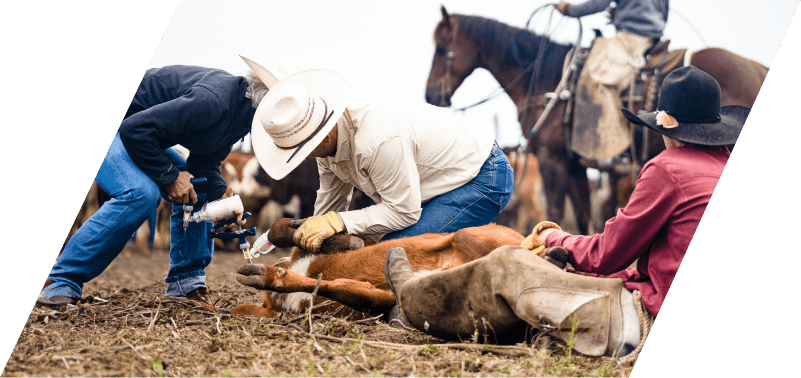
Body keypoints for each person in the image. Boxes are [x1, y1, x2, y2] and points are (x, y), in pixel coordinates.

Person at [384, 66, 749, 360]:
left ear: (666, 124)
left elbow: (606, 254)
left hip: (644, 319)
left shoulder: (668, 168)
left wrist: (551, 236)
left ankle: (414, 302)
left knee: (507, 265)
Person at [37, 63, 266, 307]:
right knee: (140, 193)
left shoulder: (239, 115)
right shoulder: (213, 101)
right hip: (128, 128)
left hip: (139, 134)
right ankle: (59, 281)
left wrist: (220, 195)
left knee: (198, 187)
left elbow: (205, 164)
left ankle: (185, 284)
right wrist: (170, 177)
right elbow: (135, 129)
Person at [240, 56, 513, 252]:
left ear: (322, 135)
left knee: (393, 254)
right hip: (437, 184)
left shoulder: (376, 139)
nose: (306, 156)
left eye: (304, 149)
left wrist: (339, 221)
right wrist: (308, 242)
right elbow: (330, 204)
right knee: (385, 251)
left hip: (483, 178)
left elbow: (403, 212)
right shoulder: (325, 147)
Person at [555, 0, 670, 164]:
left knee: (597, 77)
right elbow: (664, 12)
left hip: (631, 38)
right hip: (652, 37)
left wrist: (568, 9)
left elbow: (598, 4)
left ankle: (614, 151)